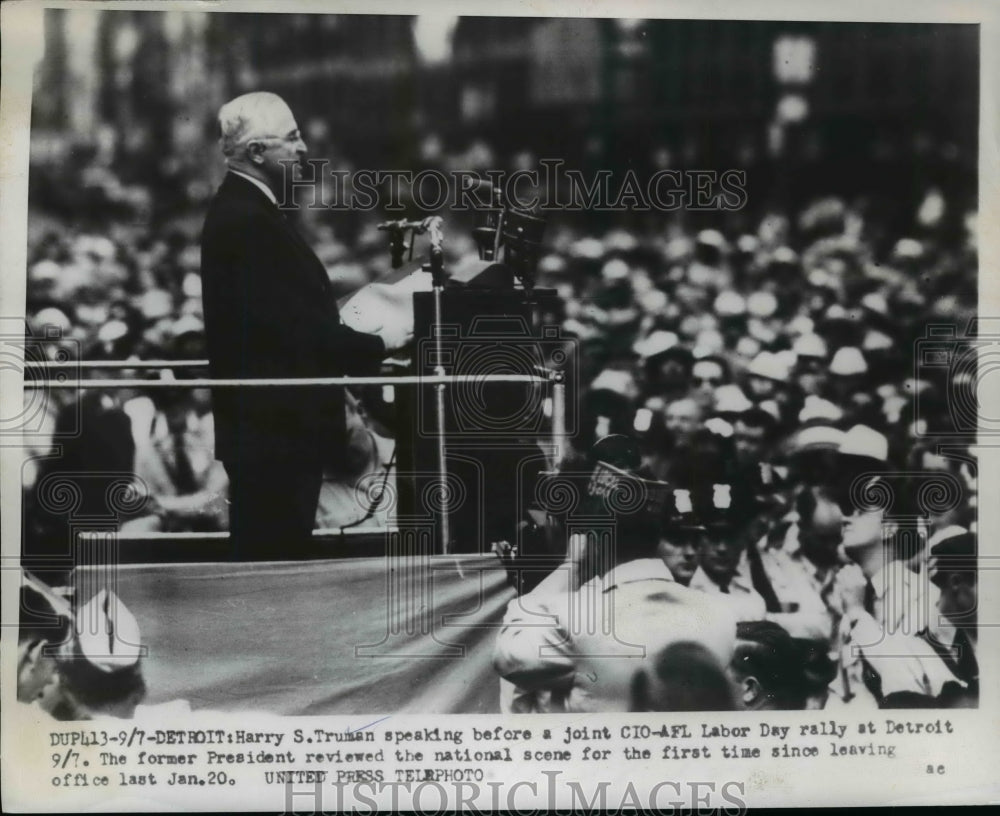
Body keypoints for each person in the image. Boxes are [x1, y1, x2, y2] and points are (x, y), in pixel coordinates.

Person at [200, 92, 411, 559]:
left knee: (272, 561)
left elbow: (284, 315)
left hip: (273, 431)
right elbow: (295, 330)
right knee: (272, 565)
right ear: (257, 152)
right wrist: (382, 342)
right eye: (291, 139)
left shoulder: (249, 212)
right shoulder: (248, 221)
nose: (302, 149)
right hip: (275, 434)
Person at [493, 438, 737, 713]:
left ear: (592, 540)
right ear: (657, 536)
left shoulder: (572, 618)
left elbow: (508, 656)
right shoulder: (720, 615)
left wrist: (571, 565)